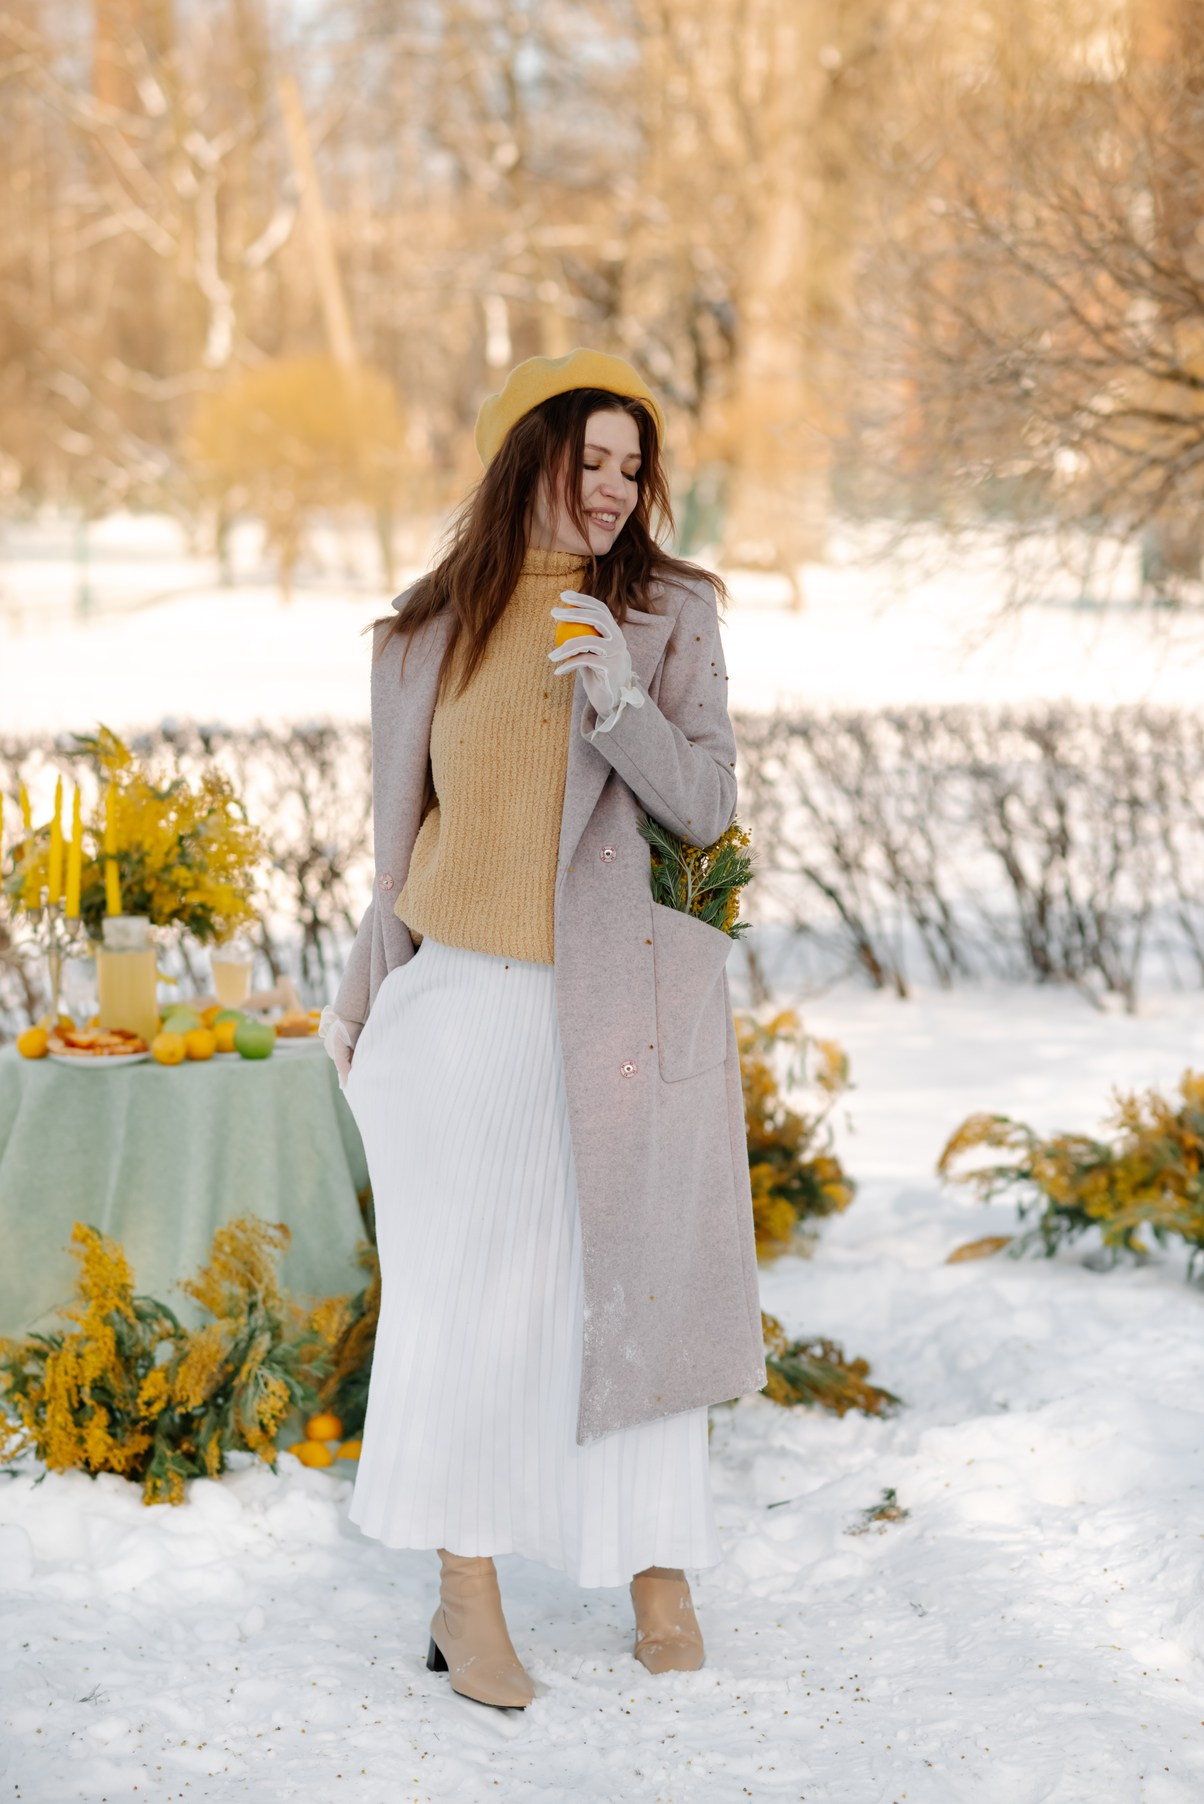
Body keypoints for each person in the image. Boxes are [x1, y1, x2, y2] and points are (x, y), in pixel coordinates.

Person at [319, 347, 765, 1711]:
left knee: (624, 1289)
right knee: (466, 1307)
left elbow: (706, 806)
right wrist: (360, 995)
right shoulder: (422, 634)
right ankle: (467, 1592)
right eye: (596, 460)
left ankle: (657, 1572)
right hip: (456, 1010)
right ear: (534, 457)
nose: (620, 489)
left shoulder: (670, 614)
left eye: (638, 467)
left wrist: (618, 700)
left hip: (615, 1014)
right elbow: (404, 844)